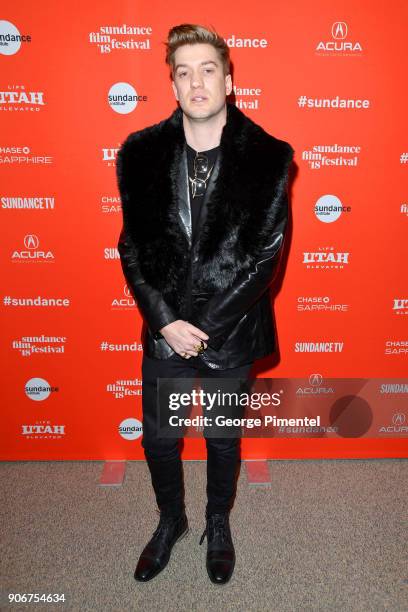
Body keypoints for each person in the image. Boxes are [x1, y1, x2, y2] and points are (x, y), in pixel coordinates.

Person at [116, 23, 294, 585]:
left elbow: (267, 256)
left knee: (221, 435)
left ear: (229, 79)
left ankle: (218, 521)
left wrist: (205, 326)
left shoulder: (266, 157)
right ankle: (170, 521)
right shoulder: (140, 154)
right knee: (161, 438)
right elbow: (131, 245)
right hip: (165, 328)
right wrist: (167, 322)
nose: (196, 81)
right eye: (184, 71)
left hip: (230, 330)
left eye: (208, 69)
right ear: (172, 86)